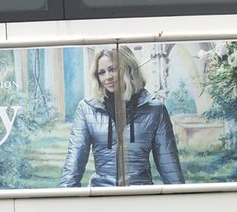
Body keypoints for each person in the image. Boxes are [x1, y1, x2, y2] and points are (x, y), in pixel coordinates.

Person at [59, 45, 184, 188]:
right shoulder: (87, 109)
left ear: (129, 68)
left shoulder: (155, 109)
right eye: (101, 72)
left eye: (113, 69)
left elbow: (170, 167)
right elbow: (74, 163)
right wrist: (62, 202)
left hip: (141, 198)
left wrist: (181, 204)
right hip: (102, 198)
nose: (108, 77)